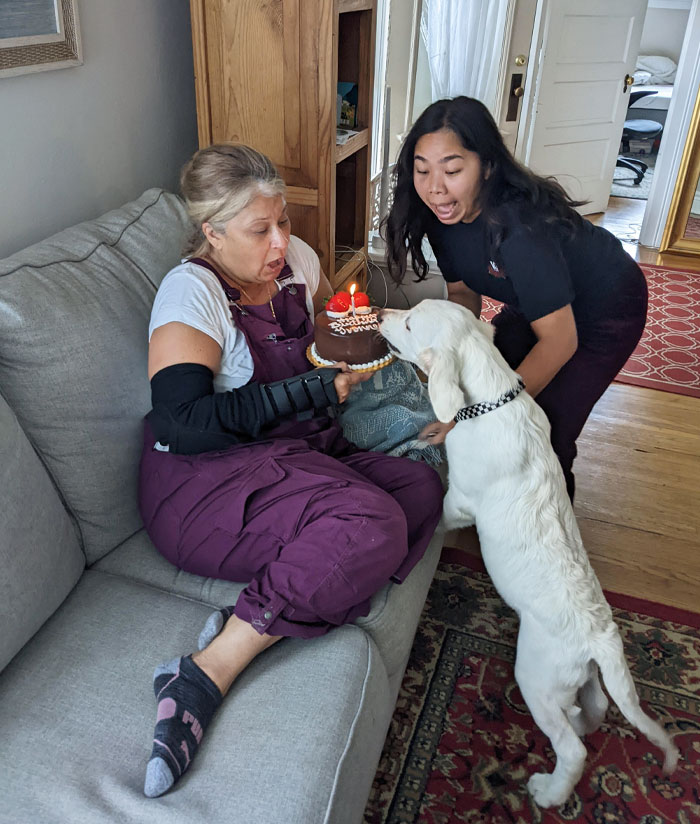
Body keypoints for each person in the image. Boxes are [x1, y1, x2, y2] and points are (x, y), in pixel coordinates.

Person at [139, 143, 443, 797]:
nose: (280, 242)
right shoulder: (190, 293)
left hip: (298, 457)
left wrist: (394, 333)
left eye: (284, 222)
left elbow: (339, 325)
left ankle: (298, 587)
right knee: (372, 526)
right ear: (212, 231)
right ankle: (203, 672)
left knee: (419, 487)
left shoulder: (297, 262)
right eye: (259, 230)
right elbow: (181, 424)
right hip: (206, 483)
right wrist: (310, 391)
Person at [384, 96, 648, 500]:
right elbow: (462, 292)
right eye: (422, 170)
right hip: (537, 306)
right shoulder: (442, 212)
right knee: (479, 388)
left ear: (488, 167)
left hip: (605, 309)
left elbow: (560, 340)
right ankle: (494, 503)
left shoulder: (519, 227)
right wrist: (451, 355)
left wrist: (497, 408)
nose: (435, 187)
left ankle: (547, 542)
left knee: (542, 425)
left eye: (452, 170)